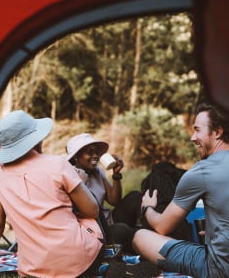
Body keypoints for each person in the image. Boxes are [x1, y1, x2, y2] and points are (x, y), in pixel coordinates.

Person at [0, 110, 104, 278]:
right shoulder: (58, 164)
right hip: (78, 262)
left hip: (34, 269)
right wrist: (80, 182)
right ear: (36, 138)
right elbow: (92, 211)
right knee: (88, 220)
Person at [133, 102, 229, 278]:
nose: (193, 138)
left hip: (218, 269)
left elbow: (162, 227)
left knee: (139, 236)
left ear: (217, 132)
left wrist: (148, 208)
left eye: (197, 130)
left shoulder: (202, 171)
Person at [66, 133, 142, 253]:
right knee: (122, 230)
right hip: (96, 230)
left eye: (97, 152)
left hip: (109, 219)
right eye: (90, 152)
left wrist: (116, 174)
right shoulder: (69, 176)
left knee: (135, 197)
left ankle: (152, 231)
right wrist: (81, 184)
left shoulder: (97, 172)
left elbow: (114, 200)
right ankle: (142, 244)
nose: (95, 156)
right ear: (76, 156)